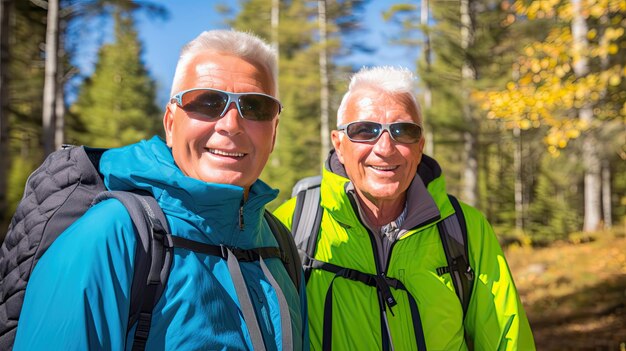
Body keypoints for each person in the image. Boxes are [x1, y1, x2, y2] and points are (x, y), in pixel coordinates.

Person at [13, 29, 308, 350]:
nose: (231, 124)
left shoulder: (278, 242)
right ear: (170, 123)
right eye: (208, 102)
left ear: (274, 131)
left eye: (256, 107)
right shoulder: (112, 235)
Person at [273, 66, 535, 350]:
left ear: (420, 146)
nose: (385, 148)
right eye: (364, 130)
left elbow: (507, 340)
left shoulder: (464, 228)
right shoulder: (289, 225)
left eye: (403, 131)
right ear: (339, 144)